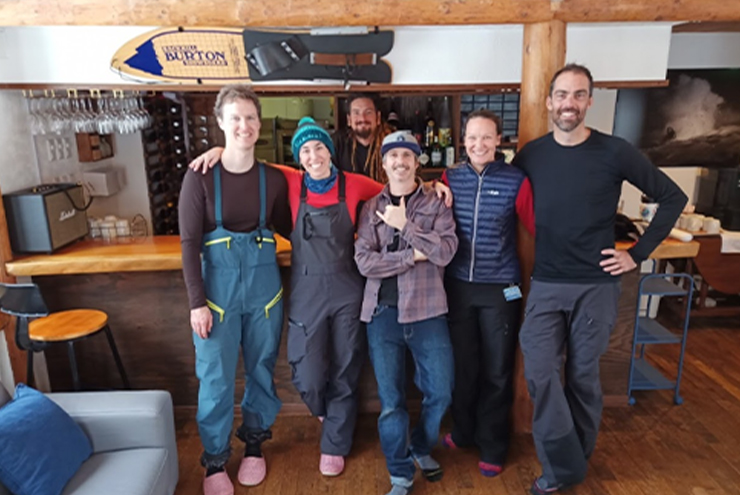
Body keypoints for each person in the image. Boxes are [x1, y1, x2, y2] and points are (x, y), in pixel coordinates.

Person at [189, 119, 453, 478]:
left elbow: (395, 186)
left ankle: (334, 444)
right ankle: (327, 413)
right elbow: (250, 162)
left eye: (319, 147)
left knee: (346, 367)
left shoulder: (355, 184)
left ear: (330, 150)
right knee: (307, 372)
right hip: (306, 289)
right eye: (305, 150)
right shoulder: (290, 181)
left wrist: (432, 185)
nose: (313, 156)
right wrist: (223, 150)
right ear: (298, 158)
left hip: (347, 288)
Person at [512, 64, 687, 495]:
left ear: (589, 101)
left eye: (578, 95)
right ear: (549, 102)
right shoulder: (532, 154)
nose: (569, 103)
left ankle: (563, 469)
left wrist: (637, 255)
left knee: (583, 377)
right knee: (540, 371)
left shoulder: (615, 151)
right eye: (562, 95)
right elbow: (499, 189)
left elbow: (672, 197)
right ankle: (568, 464)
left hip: (596, 286)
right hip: (547, 283)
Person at [178, 84, 291, 495]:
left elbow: (292, 225)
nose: (244, 125)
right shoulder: (199, 177)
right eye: (235, 118)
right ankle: (215, 462)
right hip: (216, 299)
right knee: (215, 380)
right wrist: (197, 303)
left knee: (261, 371)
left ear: (259, 122)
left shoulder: (274, 179)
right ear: (221, 122)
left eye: (250, 117)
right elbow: (189, 244)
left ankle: (255, 446)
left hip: (265, 296)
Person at [354, 131, 458, 495]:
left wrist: (405, 227)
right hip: (382, 313)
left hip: (429, 311)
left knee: (441, 392)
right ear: (384, 164)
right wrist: (411, 256)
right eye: (393, 156)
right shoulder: (371, 207)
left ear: (417, 162)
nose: (400, 162)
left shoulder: (437, 202)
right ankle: (399, 473)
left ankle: (420, 446)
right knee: (391, 403)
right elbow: (364, 262)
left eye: (407, 156)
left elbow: (445, 252)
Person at [439, 109, 535, 477]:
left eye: (486, 137)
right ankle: (463, 431)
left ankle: (494, 444)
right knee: (464, 366)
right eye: (472, 137)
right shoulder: (450, 177)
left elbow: (537, 226)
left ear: (498, 140)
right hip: (458, 286)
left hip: (501, 288)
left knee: (497, 369)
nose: (478, 144)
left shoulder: (516, 181)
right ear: (463, 141)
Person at [332, 93, 392, 182]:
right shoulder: (337, 142)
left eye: (368, 112)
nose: (362, 118)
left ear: (378, 118)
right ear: (349, 120)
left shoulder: (392, 142)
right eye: (356, 113)